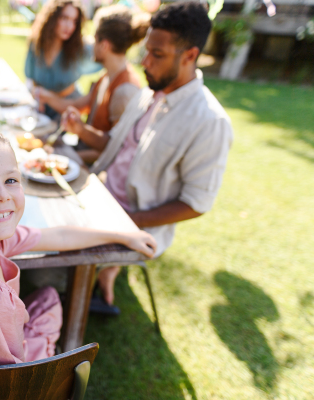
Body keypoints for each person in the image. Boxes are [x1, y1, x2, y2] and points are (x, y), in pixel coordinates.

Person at [0, 126, 157, 365]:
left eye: (11, 180)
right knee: (49, 311)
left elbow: (59, 236)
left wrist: (122, 236)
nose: (2, 195)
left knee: (49, 299)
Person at [90, 2, 234, 306]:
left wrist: (130, 220)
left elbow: (197, 203)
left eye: (157, 55)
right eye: (146, 51)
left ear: (190, 56)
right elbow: (115, 145)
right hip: (99, 196)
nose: (145, 62)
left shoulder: (210, 121)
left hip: (133, 223)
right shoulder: (148, 94)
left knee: (47, 258)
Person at [39, 5, 150, 165]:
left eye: (94, 38)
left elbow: (115, 150)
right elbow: (76, 105)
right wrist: (47, 96)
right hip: (80, 152)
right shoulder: (106, 77)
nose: (91, 43)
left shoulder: (125, 90)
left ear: (104, 45)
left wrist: (65, 156)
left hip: (95, 171)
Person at [24, 0, 101, 120]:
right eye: (64, 18)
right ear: (52, 17)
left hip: (68, 108)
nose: (69, 26)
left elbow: (106, 54)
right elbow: (30, 79)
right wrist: (37, 94)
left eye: (74, 21)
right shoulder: (36, 44)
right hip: (40, 108)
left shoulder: (80, 48)